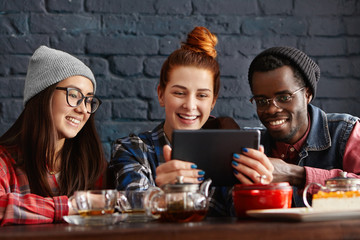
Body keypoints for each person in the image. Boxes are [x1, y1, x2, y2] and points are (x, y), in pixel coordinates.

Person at [110, 26, 235, 216]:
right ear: (161, 95)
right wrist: (163, 195)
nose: (190, 105)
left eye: (202, 95)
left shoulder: (227, 155)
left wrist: (258, 186)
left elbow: (244, 215)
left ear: (212, 102)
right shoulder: (132, 150)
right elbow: (130, 207)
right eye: (179, 93)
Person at [232, 46, 360, 207]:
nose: (272, 109)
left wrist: (295, 175)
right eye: (262, 101)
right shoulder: (253, 149)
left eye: (284, 97)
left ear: (307, 94)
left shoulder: (345, 132)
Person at [0, 46, 106, 226]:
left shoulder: (93, 166)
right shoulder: (4, 162)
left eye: (88, 100)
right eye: (74, 95)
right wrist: (69, 207)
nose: (82, 109)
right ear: (43, 95)